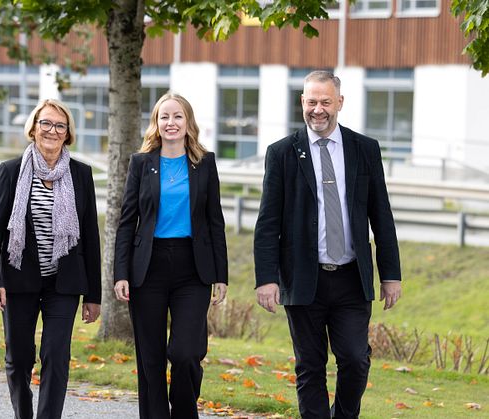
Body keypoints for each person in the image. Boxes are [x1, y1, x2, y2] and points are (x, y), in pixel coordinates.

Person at [253, 70, 402, 418]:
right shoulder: (282, 153)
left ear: (339, 103)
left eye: (324, 102)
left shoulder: (364, 149)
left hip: (351, 278)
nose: (317, 110)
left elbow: (382, 215)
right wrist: (266, 278)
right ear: (301, 103)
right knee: (310, 365)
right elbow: (267, 222)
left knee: (354, 358)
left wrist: (390, 274)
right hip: (304, 277)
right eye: (310, 102)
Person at [0, 98, 101, 419]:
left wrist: (94, 296)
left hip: (64, 284)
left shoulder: (80, 174)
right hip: (18, 280)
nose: (52, 130)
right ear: (33, 129)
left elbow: (90, 235)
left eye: (59, 125)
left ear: (68, 134)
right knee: (19, 358)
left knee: (56, 355)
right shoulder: (10, 172)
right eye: (45, 123)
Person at [113, 92, 228, 419]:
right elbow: (126, 221)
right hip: (147, 268)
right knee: (149, 357)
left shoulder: (205, 164)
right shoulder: (141, 163)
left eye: (178, 116)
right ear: (156, 123)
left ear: (188, 123)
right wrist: (121, 272)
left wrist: (222, 275)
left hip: (192, 269)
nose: (171, 123)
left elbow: (214, 220)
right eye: (164, 117)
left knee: (185, 352)